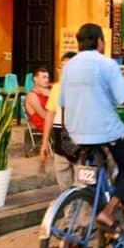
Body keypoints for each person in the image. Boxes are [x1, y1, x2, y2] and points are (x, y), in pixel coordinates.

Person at [43, 25, 124, 233]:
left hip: (76, 132)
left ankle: (102, 204)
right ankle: (109, 211)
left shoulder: (69, 67)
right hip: (106, 131)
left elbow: (64, 103)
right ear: (99, 41)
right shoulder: (106, 64)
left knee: (97, 172)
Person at [39, 51, 77, 191]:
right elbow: (50, 115)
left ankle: (83, 211)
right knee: (64, 185)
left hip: (81, 140)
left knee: (82, 186)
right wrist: (44, 144)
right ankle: (69, 212)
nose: (63, 71)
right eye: (61, 68)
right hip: (60, 137)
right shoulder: (56, 88)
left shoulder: (86, 88)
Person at [24, 67, 51, 133]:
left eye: (47, 77)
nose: (47, 80)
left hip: (53, 123)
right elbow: (44, 116)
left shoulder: (47, 92)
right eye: (44, 77)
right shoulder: (32, 96)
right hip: (46, 125)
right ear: (35, 79)